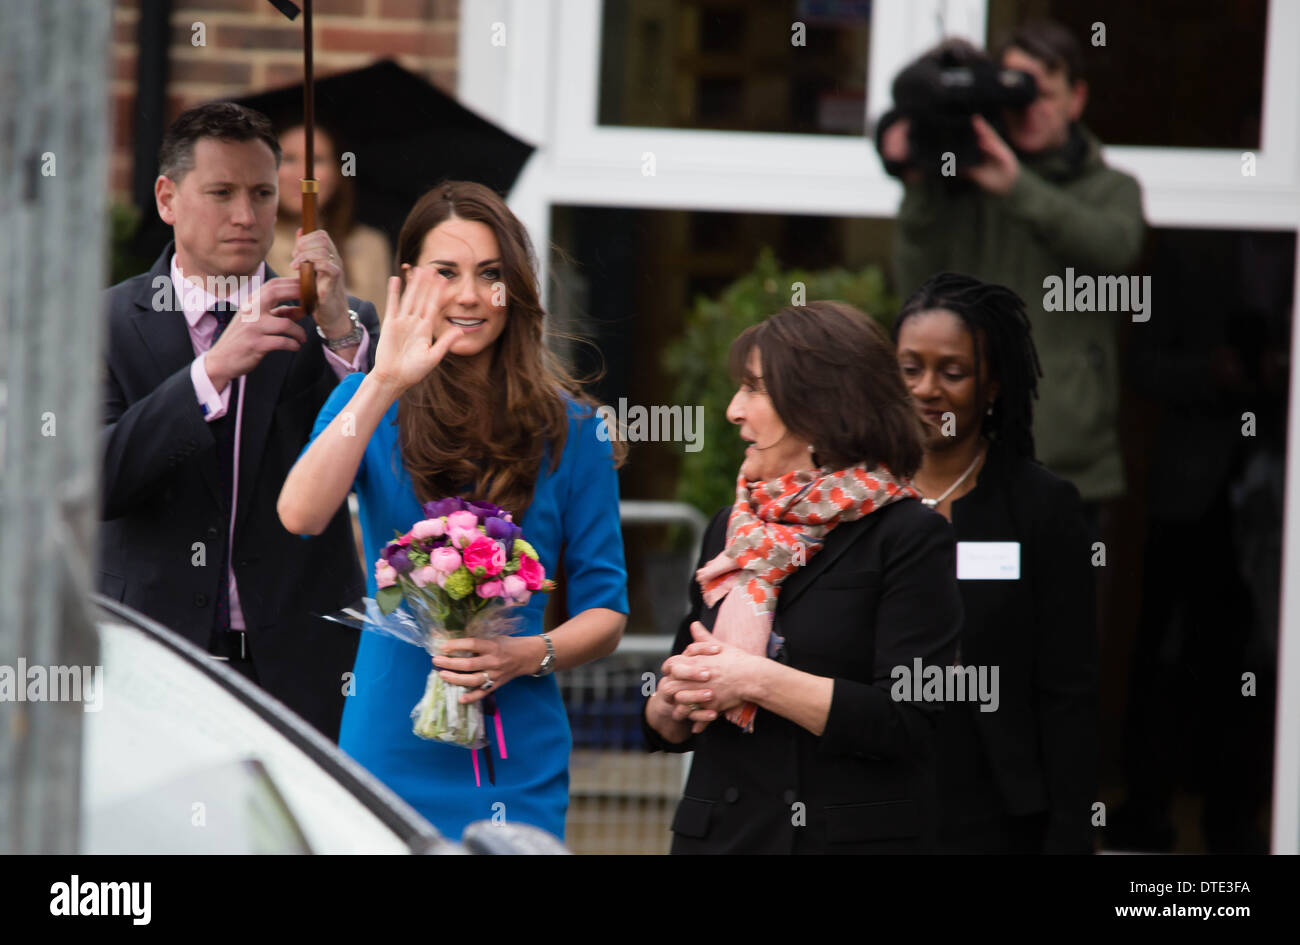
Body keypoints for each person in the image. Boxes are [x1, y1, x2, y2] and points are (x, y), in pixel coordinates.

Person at [278, 181, 628, 841]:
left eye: (491, 274)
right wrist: (382, 380)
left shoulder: (574, 428)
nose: (470, 294)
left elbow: (606, 613)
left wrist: (526, 654)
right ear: (409, 282)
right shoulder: (369, 402)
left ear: (514, 289)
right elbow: (300, 512)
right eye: (447, 272)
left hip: (515, 762)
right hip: (385, 743)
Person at [100, 102, 381, 739]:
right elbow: (97, 479)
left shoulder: (337, 323)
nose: (246, 215)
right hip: (150, 652)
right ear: (168, 199)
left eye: (261, 193)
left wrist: (339, 331)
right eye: (221, 192)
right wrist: (211, 373)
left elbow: (385, 456)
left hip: (301, 661)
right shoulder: (108, 323)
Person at [643, 301, 963, 854]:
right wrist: (670, 700)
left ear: (819, 407)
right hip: (721, 838)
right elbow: (675, 701)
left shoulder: (908, 535)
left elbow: (907, 721)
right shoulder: (733, 526)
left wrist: (755, 680)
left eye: (754, 389)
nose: (733, 410)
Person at [881, 20, 1146, 522]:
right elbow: (918, 287)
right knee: (962, 599)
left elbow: (1113, 248)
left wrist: (1015, 185)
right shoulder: (964, 188)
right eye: (1014, 94)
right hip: (966, 457)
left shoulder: (1111, 189)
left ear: (1077, 97)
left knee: (1061, 600)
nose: (1027, 109)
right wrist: (923, 182)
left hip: (1070, 464)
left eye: (1041, 93)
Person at [893, 272, 1097, 853]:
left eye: (951, 372)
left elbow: (1069, 689)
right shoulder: (855, 496)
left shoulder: (1040, 507)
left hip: (998, 811)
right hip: (871, 802)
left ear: (993, 386)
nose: (927, 388)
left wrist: (1072, 831)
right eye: (910, 369)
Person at [267, 123, 393, 321]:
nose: (303, 174)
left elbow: (381, 326)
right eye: (289, 159)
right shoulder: (252, 240)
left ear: (337, 171)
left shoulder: (370, 244)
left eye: (316, 160)